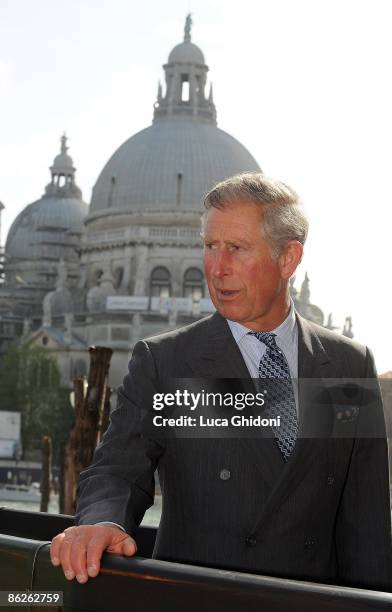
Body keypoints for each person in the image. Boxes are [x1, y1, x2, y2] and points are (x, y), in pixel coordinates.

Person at [51, 172, 392, 590]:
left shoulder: (346, 363)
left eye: (236, 248)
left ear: (288, 259)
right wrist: (103, 520)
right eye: (210, 246)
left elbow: (367, 519)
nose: (217, 267)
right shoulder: (168, 362)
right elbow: (118, 470)